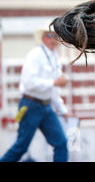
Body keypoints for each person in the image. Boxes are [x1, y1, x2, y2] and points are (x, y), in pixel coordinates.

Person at [0, 25, 69, 162]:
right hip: (31, 105)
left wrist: (63, 110)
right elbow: (28, 83)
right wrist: (54, 83)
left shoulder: (54, 57)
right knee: (21, 147)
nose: (53, 39)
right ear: (43, 38)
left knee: (61, 143)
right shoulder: (35, 54)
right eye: (50, 35)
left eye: (56, 36)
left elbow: (54, 91)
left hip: (45, 106)